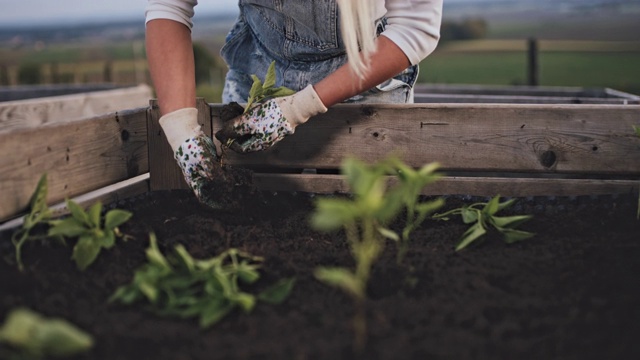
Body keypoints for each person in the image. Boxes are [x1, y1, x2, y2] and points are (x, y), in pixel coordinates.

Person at [145, 0, 443, 203]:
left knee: (362, 222)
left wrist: (301, 106)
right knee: (253, 219)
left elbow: (414, 28)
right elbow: (170, 7)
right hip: (260, 80)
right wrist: (181, 131)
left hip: (363, 80)